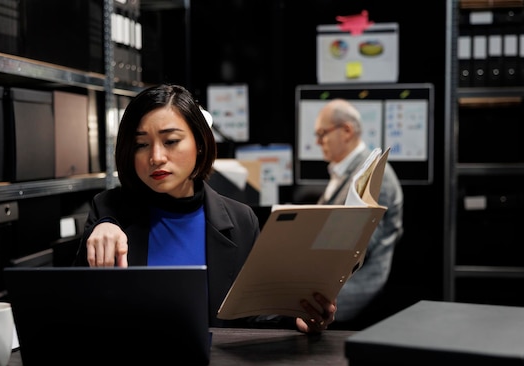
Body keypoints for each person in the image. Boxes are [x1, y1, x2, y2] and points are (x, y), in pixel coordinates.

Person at [74, 83, 335, 333]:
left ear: (199, 143)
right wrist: (101, 228)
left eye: (171, 141)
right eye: (141, 144)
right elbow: (77, 308)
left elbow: (254, 314)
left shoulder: (241, 219)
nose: (156, 157)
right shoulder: (108, 211)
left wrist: (297, 318)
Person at [314, 98, 404, 328]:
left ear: (346, 130)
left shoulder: (374, 177)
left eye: (322, 133)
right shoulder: (347, 172)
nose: (318, 142)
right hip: (333, 289)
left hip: (352, 298)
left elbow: (357, 250)